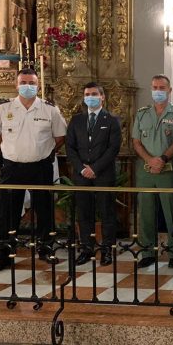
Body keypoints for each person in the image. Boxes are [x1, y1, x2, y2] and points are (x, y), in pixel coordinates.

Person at [0, 68, 66, 271]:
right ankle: (4, 254)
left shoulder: (50, 109)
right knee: (7, 212)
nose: (28, 86)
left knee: (45, 211)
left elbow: (60, 137)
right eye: (24, 82)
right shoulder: (3, 108)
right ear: (16, 84)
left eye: (32, 83)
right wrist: (9, 148)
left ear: (38, 85)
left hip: (40, 168)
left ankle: (46, 249)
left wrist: (44, 152)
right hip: (12, 167)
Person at [65, 82, 122, 267]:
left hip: (103, 174)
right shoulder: (76, 120)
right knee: (84, 213)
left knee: (107, 213)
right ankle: (86, 249)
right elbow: (70, 148)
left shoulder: (112, 120)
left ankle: (107, 250)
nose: (91, 96)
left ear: (102, 97)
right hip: (81, 175)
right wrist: (82, 168)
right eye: (87, 94)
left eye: (94, 94)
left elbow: (113, 149)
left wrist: (95, 168)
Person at [131, 75, 173, 269]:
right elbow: (136, 141)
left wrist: (162, 159)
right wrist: (150, 160)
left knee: (172, 213)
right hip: (146, 170)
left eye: (162, 87)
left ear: (170, 90)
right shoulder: (142, 114)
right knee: (145, 212)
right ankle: (147, 252)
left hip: (169, 170)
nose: (158, 91)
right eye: (155, 87)